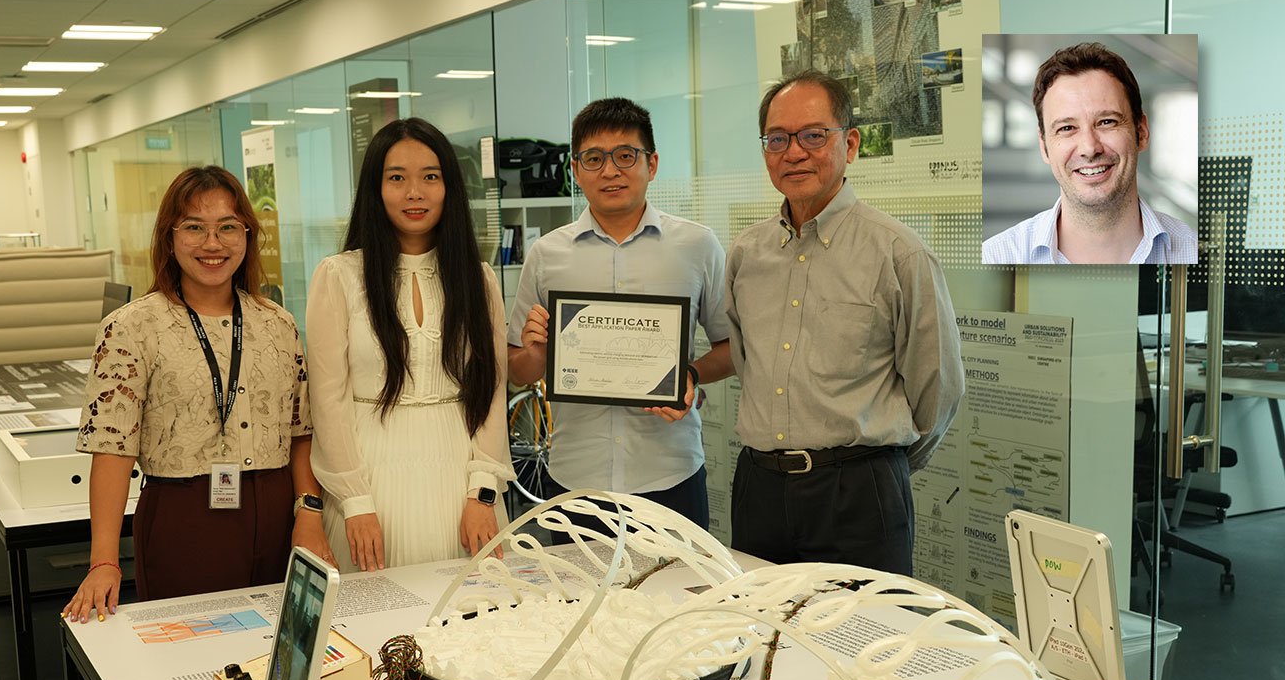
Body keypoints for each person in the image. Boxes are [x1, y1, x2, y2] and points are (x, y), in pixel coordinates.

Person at [64, 165, 331, 626]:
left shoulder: (277, 324)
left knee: (277, 652)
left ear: (248, 235)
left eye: (228, 227)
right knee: (189, 653)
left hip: (275, 513)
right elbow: (112, 450)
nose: (213, 243)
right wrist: (104, 560)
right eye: (194, 227)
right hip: (183, 518)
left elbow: (300, 432)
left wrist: (308, 511)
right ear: (170, 238)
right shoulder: (131, 328)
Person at [726, 72, 964, 575]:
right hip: (759, 489)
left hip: (857, 495)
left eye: (814, 135)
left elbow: (938, 387)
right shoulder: (747, 253)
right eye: (777, 139)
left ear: (850, 143)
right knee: (761, 644)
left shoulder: (897, 252)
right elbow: (748, 364)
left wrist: (881, 465)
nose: (794, 153)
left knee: (863, 647)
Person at [507, 97, 732, 529]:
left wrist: (691, 375)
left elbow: (733, 347)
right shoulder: (546, 254)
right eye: (593, 158)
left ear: (653, 163)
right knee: (579, 598)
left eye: (625, 155)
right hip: (576, 480)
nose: (610, 171)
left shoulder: (697, 246)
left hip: (671, 476)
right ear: (575, 170)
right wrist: (537, 351)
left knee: (682, 597)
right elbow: (519, 368)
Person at [307, 117, 512, 572]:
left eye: (430, 177)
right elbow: (327, 399)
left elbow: (492, 392)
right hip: (371, 482)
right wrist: (355, 500)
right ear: (375, 189)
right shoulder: (339, 276)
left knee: (473, 623)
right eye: (397, 177)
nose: (414, 192)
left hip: (461, 481)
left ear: (449, 188)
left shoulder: (479, 280)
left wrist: (482, 489)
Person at [982, 41, 1198, 265]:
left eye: (1106, 122)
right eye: (1067, 128)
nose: (1089, 148)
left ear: (1141, 132)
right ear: (1044, 146)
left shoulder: (1199, 256)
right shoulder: (996, 257)